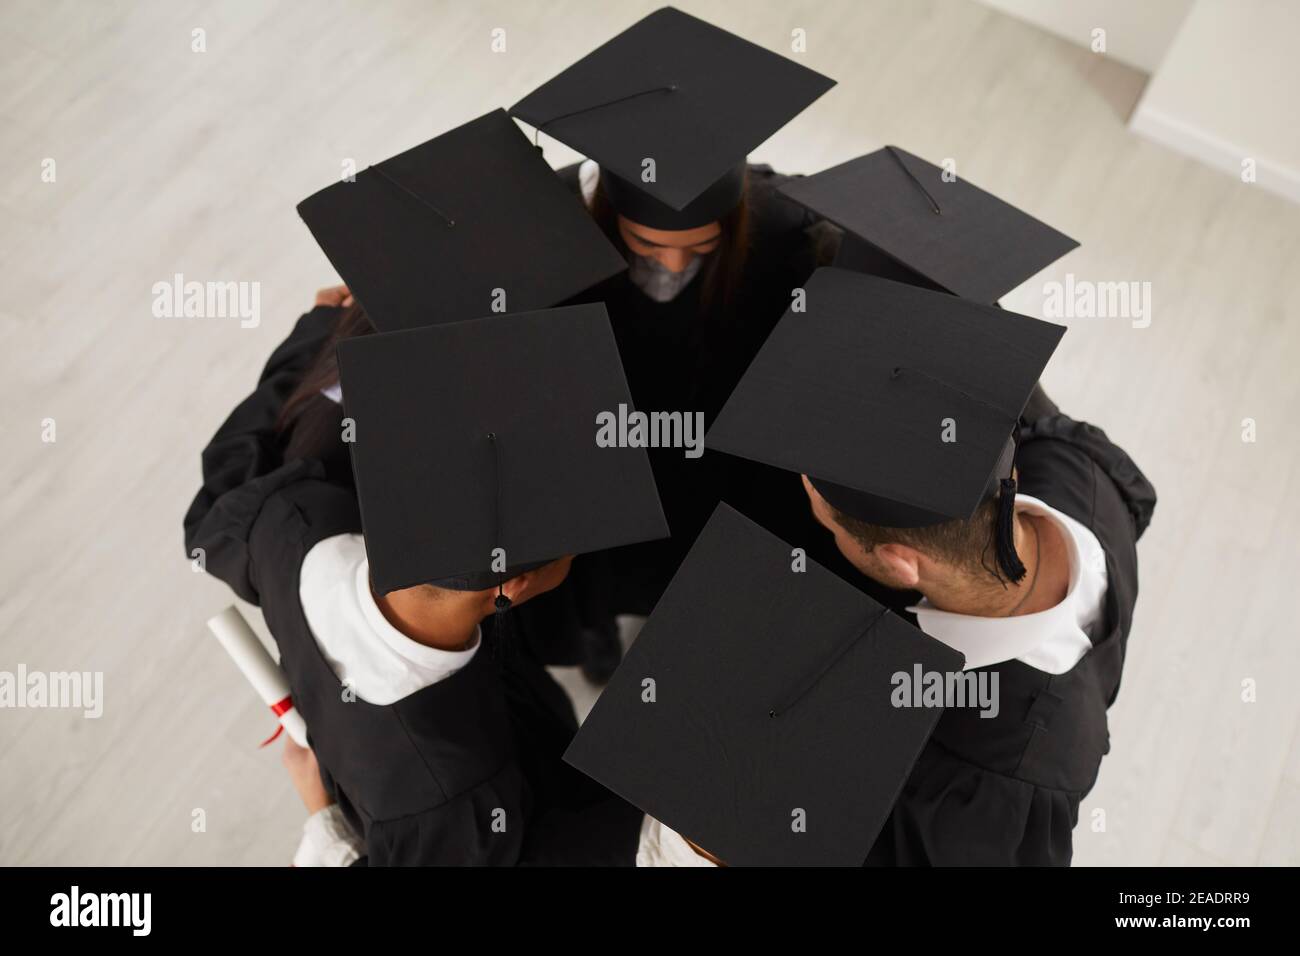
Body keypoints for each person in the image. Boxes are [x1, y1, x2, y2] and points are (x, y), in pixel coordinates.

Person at [189, 304, 669, 865]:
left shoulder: (295, 517)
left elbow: (212, 523)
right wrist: (326, 828)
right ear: (514, 586)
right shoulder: (443, 800)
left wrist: (322, 327)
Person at [707, 267, 1157, 864]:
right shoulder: (1076, 475)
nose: (817, 519)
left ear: (900, 561)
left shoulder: (996, 777)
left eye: (827, 521)